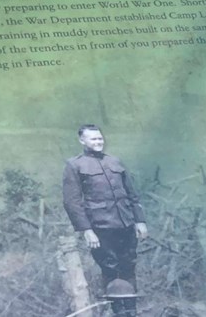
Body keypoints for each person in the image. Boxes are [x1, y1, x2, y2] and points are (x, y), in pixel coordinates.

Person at [62, 125, 147, 314]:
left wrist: (140, 221)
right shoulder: (75, 165)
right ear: (82, 141)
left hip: (125, 223)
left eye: (100, 138)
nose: (98, 142)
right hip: (101, 227)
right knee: (110, 267)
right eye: (93, 139)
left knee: (129, 265)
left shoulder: (115, 161)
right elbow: (72, 202)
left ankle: (132, 312)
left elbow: (131, 193)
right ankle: (119, 312)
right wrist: (87, 230)